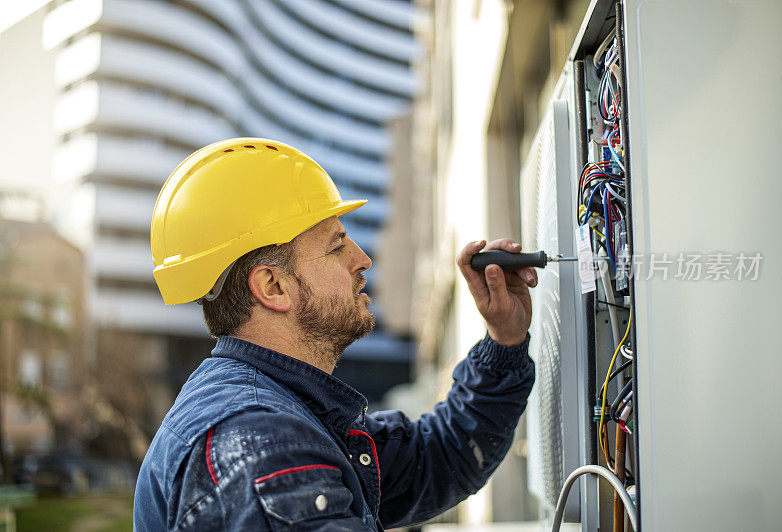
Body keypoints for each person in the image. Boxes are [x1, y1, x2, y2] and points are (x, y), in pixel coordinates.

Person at [134, 138, 538, 530]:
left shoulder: (292, 411)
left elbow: (437, 458)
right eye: (336, 246)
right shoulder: (261, 446)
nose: (362, 260)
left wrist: (504, 338)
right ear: (273, 287)